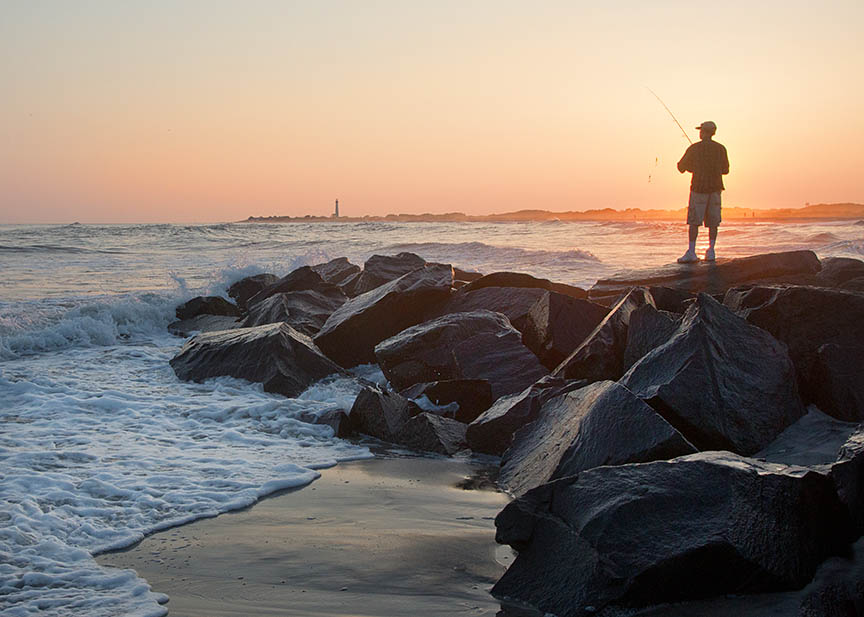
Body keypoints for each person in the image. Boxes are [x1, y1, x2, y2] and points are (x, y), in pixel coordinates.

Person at [676, 121, 729, 263]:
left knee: (694, 221)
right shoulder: (721, 149)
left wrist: (693, 168)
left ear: (704, 132)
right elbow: (726, 170)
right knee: (713, 222)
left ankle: (692, 252)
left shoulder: (694, 148)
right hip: (716, 189)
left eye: (701, 131)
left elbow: (681, 167)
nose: (699, 133)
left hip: (698, 189)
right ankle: (711, 251)